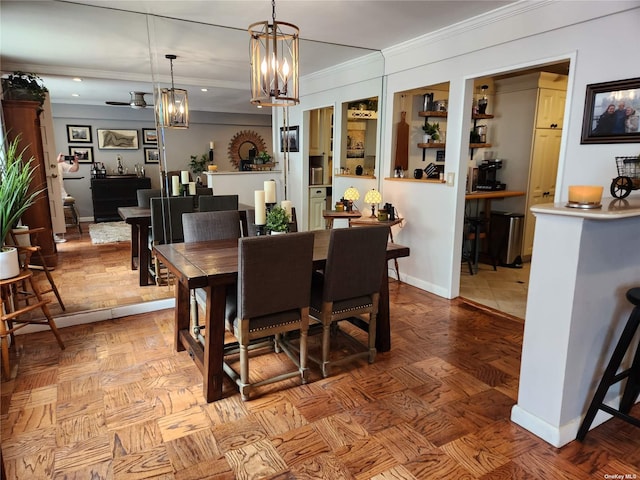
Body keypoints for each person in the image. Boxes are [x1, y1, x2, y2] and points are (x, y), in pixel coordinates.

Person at [55, 153, 79, 242]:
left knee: (58, 213)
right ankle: (54, 234)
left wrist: (75, 162)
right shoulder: (51, 162)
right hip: (52, 191)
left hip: (61, 192)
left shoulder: (61, 164)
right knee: (54, 213)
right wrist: (56, 161)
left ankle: (56, 233)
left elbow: (74, 169)